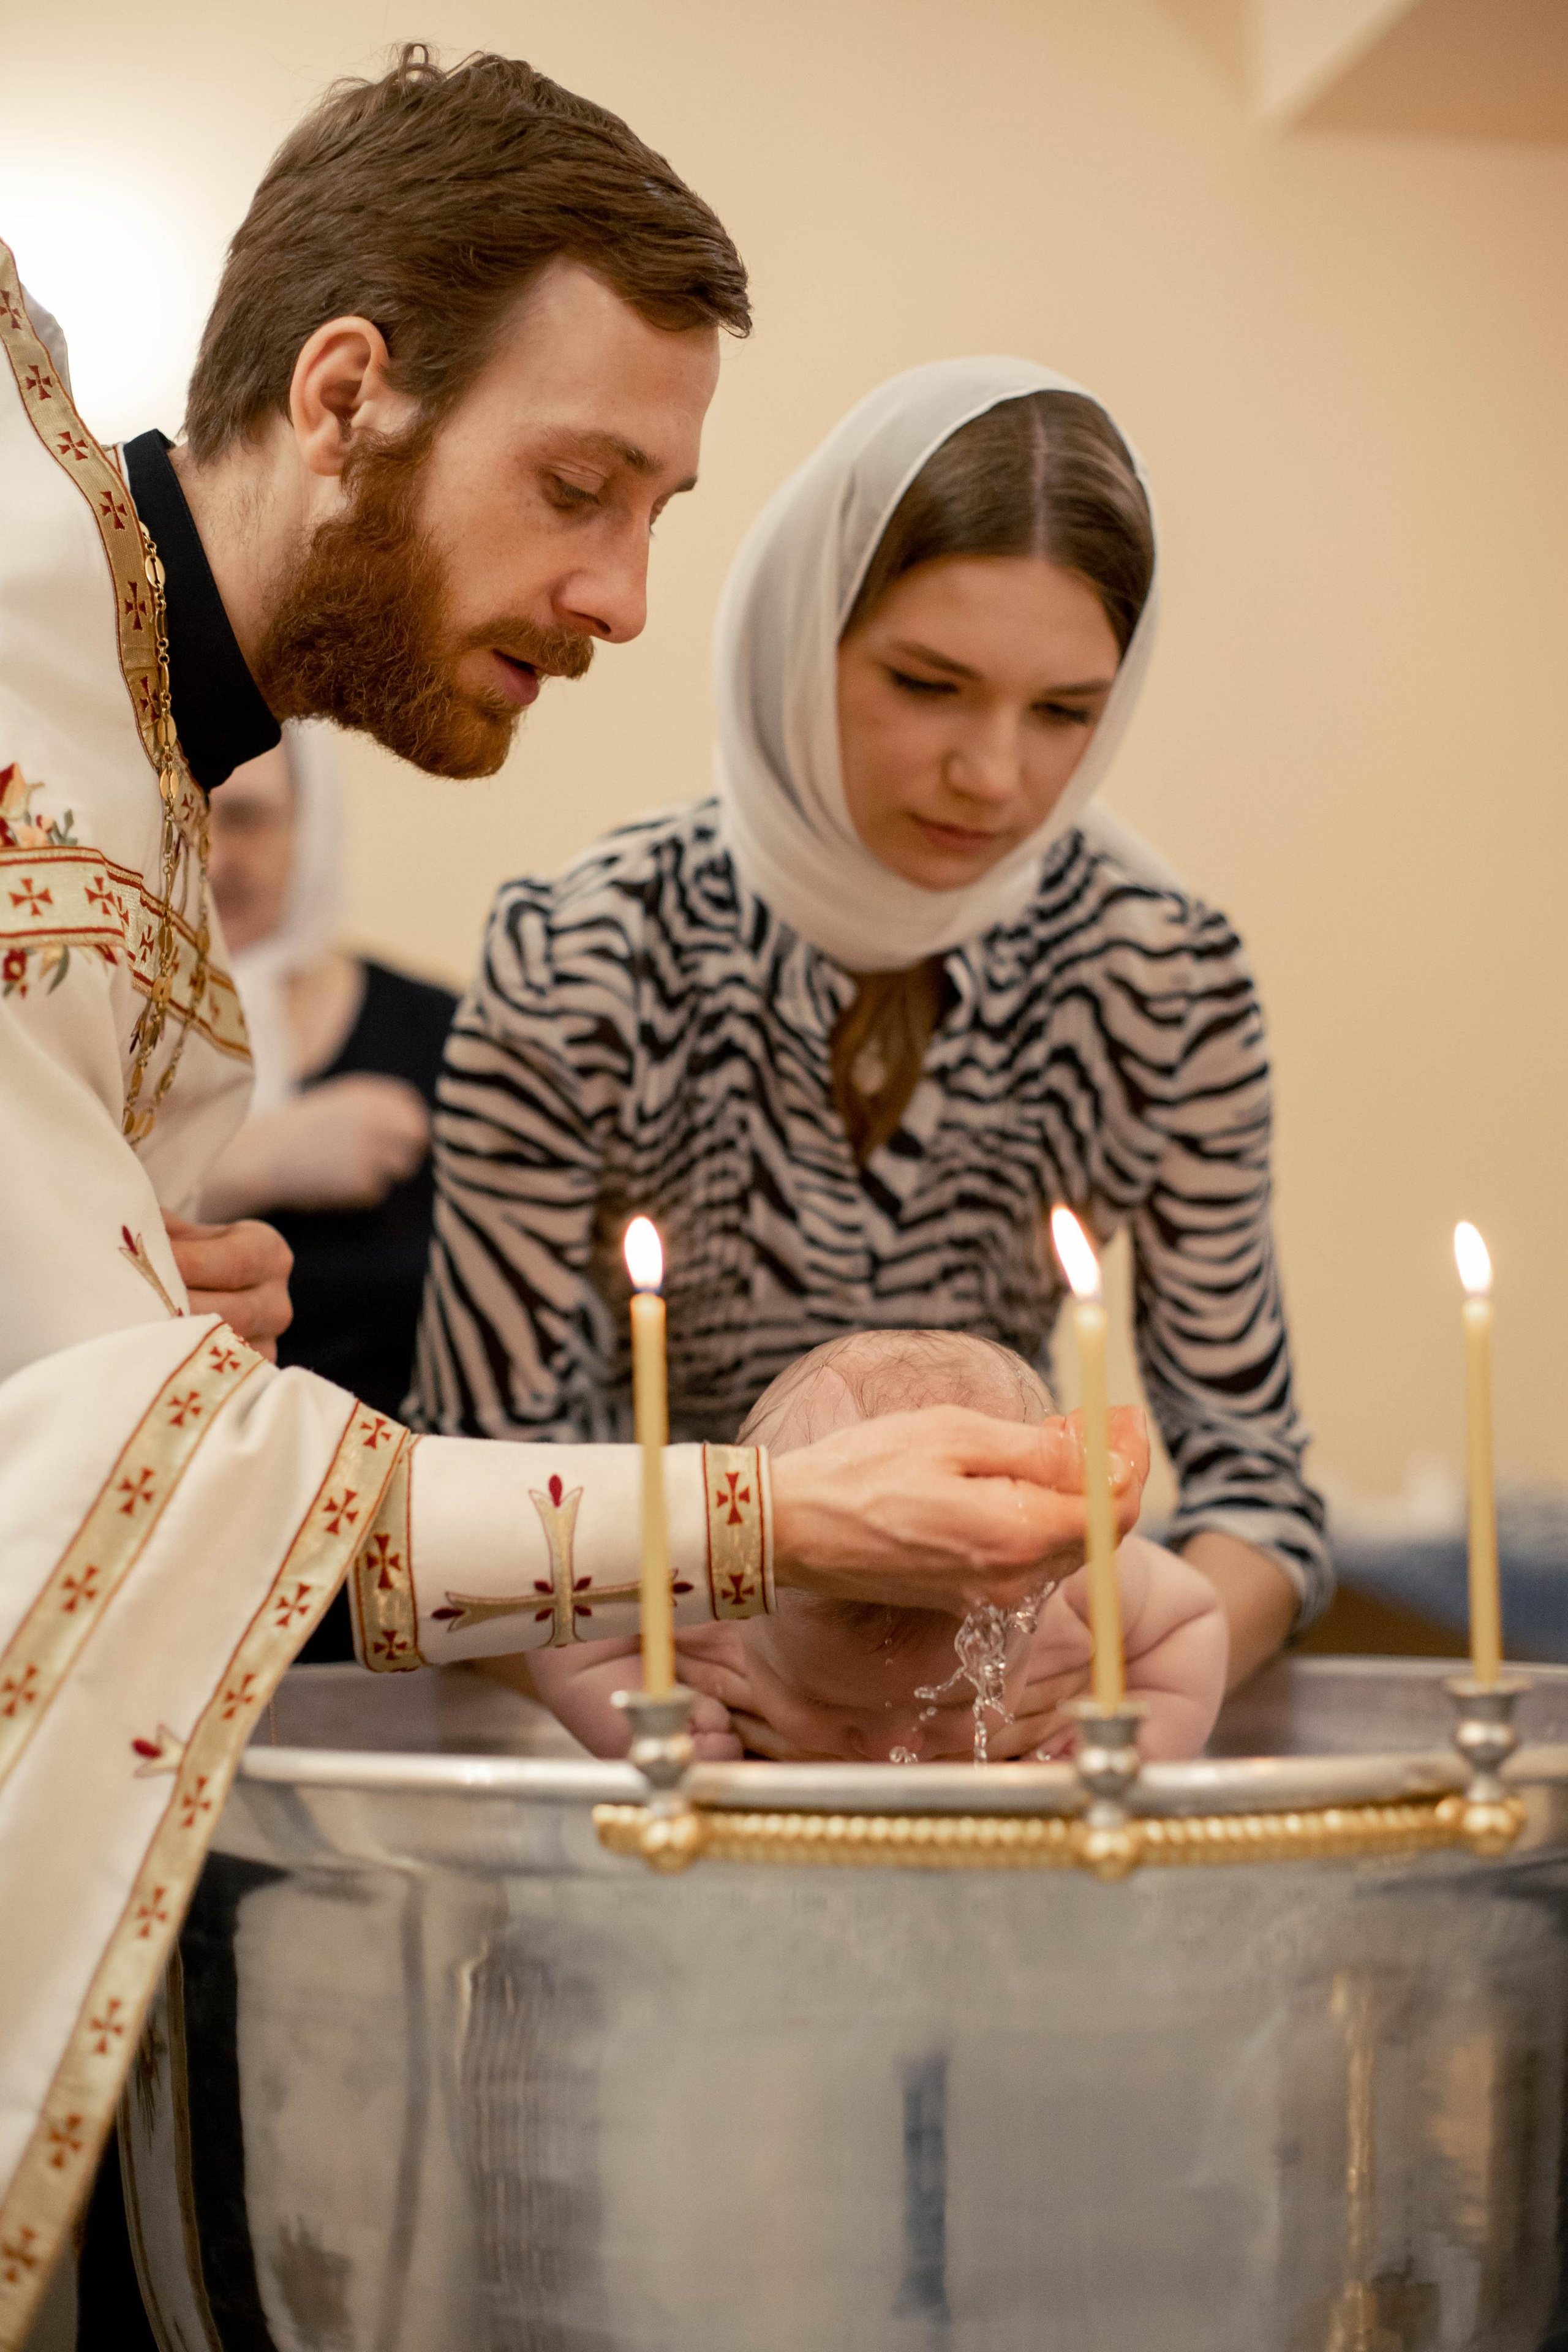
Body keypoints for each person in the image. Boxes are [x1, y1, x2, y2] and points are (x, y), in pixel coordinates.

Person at [0, 59, 1146, 2335]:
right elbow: (86, 1493)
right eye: (575, 487)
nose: (619, 591)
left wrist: (132, 1322)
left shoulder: (129, 744)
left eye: (655, 508)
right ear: (345, 397)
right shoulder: (37, 723)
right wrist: (769, 1520)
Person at [417, 359, 1330, 1699]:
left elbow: (1260, 1492)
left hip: (997, 1719)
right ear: (801, 639)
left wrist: (1127, 1649)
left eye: (1065, 711)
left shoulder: (1159, 976)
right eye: (926, 684)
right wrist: (684, 1683)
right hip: (653, 1721)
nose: (994, 775)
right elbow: (482, 1490)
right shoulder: (584, 957)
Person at [531, 1329, 1229, 1764]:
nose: (899, 1748)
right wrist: (635, 1725)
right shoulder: (710, 1587)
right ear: (748, 1595)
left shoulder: (1069, 1585)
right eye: (833, 1710)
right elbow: (564, 1629)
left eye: (952, 1708)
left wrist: (1142, 1738)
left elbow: (1191, 1621)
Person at [202, 723, 456, 1421]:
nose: (213, 857)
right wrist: (255, 1160)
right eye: (182, 815)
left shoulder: (443, 1038)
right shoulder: (80, 1032)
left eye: (246, 819)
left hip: (412, 1501)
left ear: (310, 824)